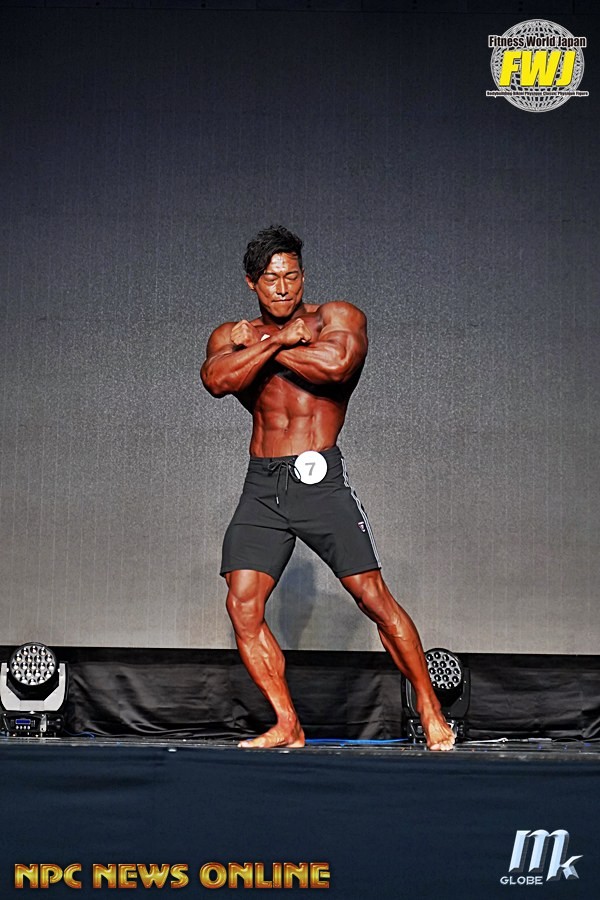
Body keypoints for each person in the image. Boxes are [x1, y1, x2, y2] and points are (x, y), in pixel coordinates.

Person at [201, 225, 455, 751]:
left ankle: (430, 708)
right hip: (262, 485)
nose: (283, 288)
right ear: (251, 282)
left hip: (319, 478)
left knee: (372, 598)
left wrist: (264, 346)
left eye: (291, 276)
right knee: (242, 606)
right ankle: (287, 724)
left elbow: (336, 367)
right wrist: (278, 340)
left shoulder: (336, 317)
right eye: (271, 279)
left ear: (303, 275)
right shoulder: (232, 333)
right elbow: (217, 380)